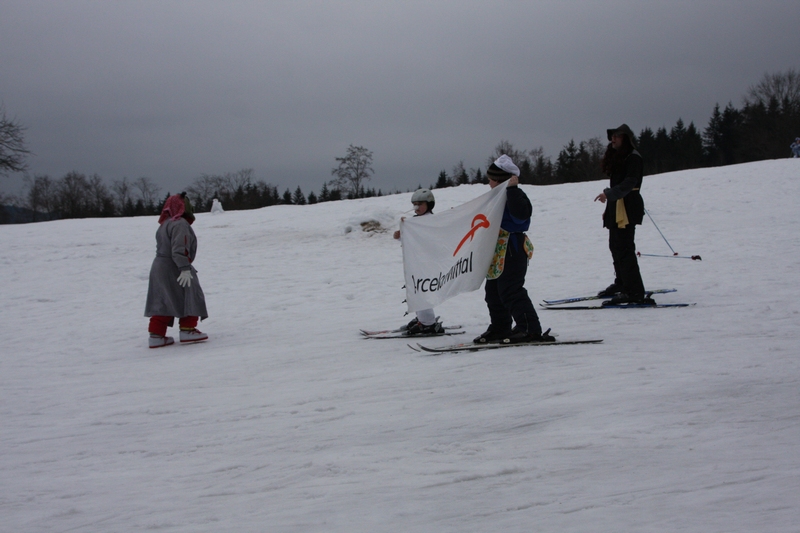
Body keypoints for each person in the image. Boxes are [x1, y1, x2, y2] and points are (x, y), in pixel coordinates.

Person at [474, 155, 554, 344]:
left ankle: (529, 328)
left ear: (500, 180)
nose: (489, 183)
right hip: (496, 251)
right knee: (493, 291)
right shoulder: (496, 196)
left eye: (491, 179)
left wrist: (512, 189)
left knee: (511, 290)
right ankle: (500, 327)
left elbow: (520, 217)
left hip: (513, 248)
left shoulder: (516, 195)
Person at [594, 124, 655, 306]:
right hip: (617, 206)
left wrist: (610, 194)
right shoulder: (621, 156)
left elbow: (630, 182)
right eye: (612, 136)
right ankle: (622, 283)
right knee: (615, 245)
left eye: (617, 136)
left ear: (626, 138)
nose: (613, 139)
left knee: (625, 248)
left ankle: (634, 291)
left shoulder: (633, 157)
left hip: (628, 206)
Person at [144, 193, 209, 348]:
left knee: (164, 298)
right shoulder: (179, 224)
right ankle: (188, 329)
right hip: (174, 266)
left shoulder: (165, 224)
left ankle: (156, 334)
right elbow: (179, 249)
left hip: (159, 266)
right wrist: (184, 268)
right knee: (190, 294)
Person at [394, 189, 444, 335]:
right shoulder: (415, 221)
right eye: (414, 204)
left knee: (421, 290)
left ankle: (427, 323)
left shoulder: (431, 221)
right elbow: (413, 242)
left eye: (420, 204)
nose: (416, 207)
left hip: (427, 264)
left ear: (429, 204)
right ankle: (423, 318)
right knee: (416, 290)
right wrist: (401, 235)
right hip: (417, 264)